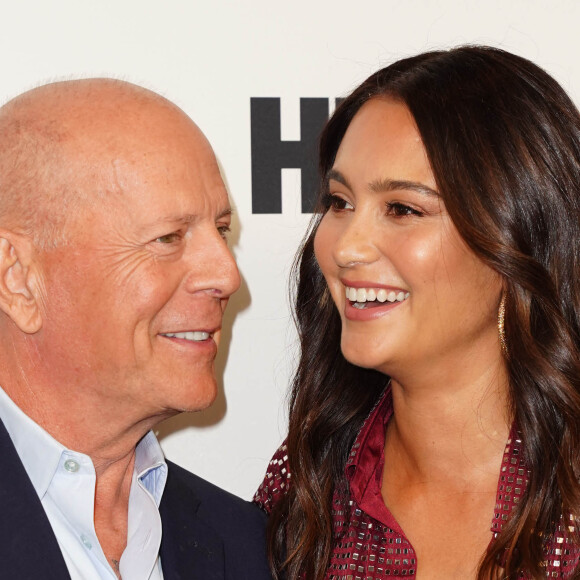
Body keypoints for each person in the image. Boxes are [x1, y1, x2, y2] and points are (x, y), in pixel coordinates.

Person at [254, 46, 580, 579]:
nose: (346, 248)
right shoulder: (307, 483)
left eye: (403, 209)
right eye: (340, 202)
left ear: (517, 237)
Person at [0, 78, 271, 580]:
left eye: (221, 231)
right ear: (17, 280)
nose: (227, 275)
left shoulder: (243, 542)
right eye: (168, 237)